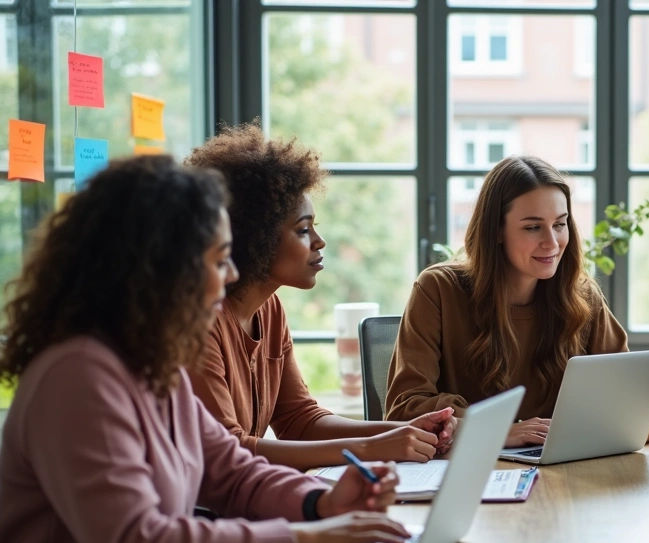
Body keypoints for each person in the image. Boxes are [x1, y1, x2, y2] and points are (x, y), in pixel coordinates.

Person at [0, 156, 409, 543]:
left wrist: (321, 502)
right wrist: (306, 537)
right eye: (218, 260)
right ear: (157, 269)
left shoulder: (153, 366)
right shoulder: (78, 376)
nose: (233, 275)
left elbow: (234, 474)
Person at [184, 123, 454, 471]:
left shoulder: (270, 310)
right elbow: (229, 452)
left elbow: (299, 420)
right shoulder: (201, 323)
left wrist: (406, 430)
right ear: (256, 238)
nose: (318, 241)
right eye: (302, 229)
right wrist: (372, 448)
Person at [383, 155, 649, 445]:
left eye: (560, 225)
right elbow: (402, 410)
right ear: (496, 230)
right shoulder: (438, 289)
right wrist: (497, 431)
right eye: (533, 227)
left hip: (564, 476)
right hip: (470, 473)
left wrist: (572, 434)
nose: (552, 242)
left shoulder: (582, 297)